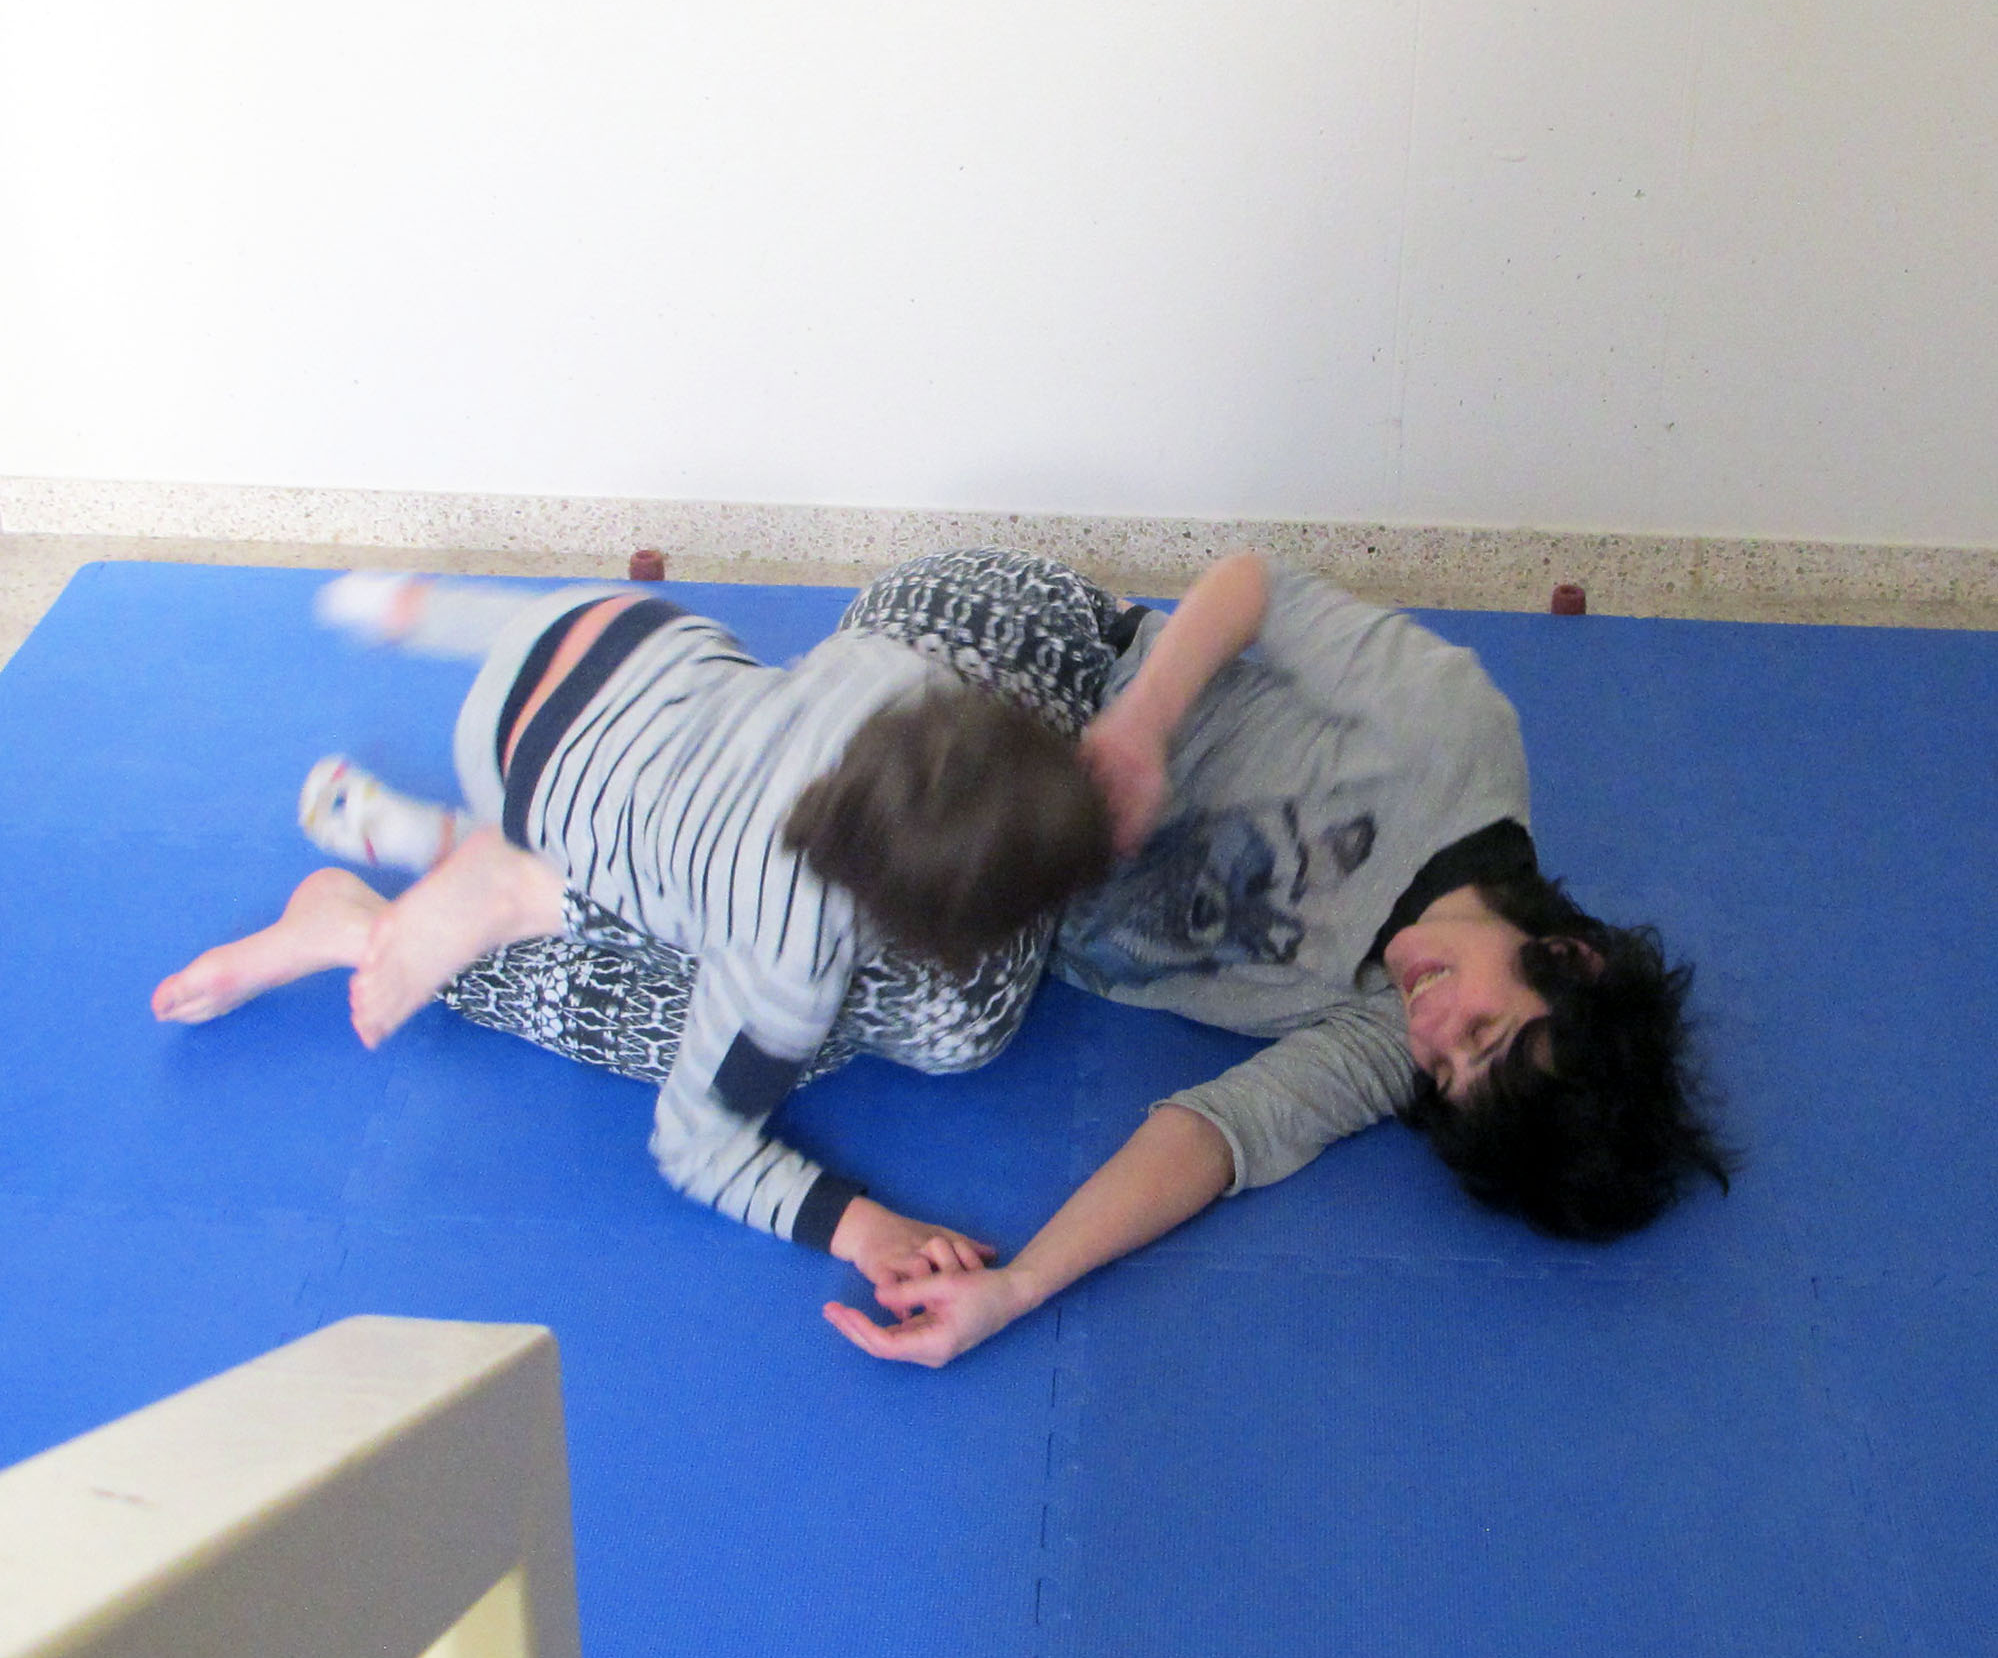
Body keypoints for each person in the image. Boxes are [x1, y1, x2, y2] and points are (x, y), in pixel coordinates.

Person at [822, 550, 1732, 1367]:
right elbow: (1253, 585)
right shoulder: (1454, 736)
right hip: (1060, 673)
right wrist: (1140, 728)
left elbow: (1217, 1134)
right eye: (1483, 1032)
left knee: (924, 1001)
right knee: (919, 969)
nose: (1433, 1032)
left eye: (1448, 1073)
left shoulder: (1390, 1036)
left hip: (1002, 886)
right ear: (1568, 957)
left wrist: (1017, 1288)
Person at [152, 574, 1112, 1287]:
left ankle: (420, 759)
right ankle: (503, 878)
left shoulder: (899, 676)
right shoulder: (786, 956)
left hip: (604, 631)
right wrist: (859, 1228)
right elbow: (697, 1145)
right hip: (527, 782)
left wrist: (435, 616)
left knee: (694, 761)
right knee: (669, 898)